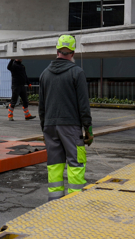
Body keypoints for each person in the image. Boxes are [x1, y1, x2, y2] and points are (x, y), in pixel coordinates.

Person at [38, 34, 93, 200]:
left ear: (57, 50)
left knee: (54, 164)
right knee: (75, 163)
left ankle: (54, 201)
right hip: (70, 126)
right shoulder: (77, 72)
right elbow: (83, 105)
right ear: (73, 52)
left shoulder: (44, 74)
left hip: (49, 126)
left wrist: (44, 130)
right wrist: (88, 129)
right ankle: (74, 202)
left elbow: (42, 107)